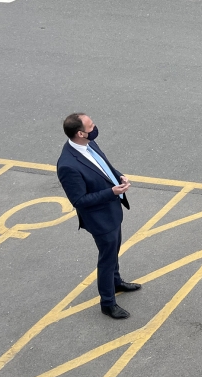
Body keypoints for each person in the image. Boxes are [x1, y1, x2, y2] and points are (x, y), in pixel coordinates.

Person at [57, 113, 141, 319]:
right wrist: (112, 192)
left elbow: (103, 166)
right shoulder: (68, 165)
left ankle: (116, 281)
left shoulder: (89, 144)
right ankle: (108, 302)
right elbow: (79, 201)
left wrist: (118, 175)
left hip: (112, 211)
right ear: (80, 133)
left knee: (114, 251)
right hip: (100, 219)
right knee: (107, 258)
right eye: (90, 125)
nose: (94, 128)